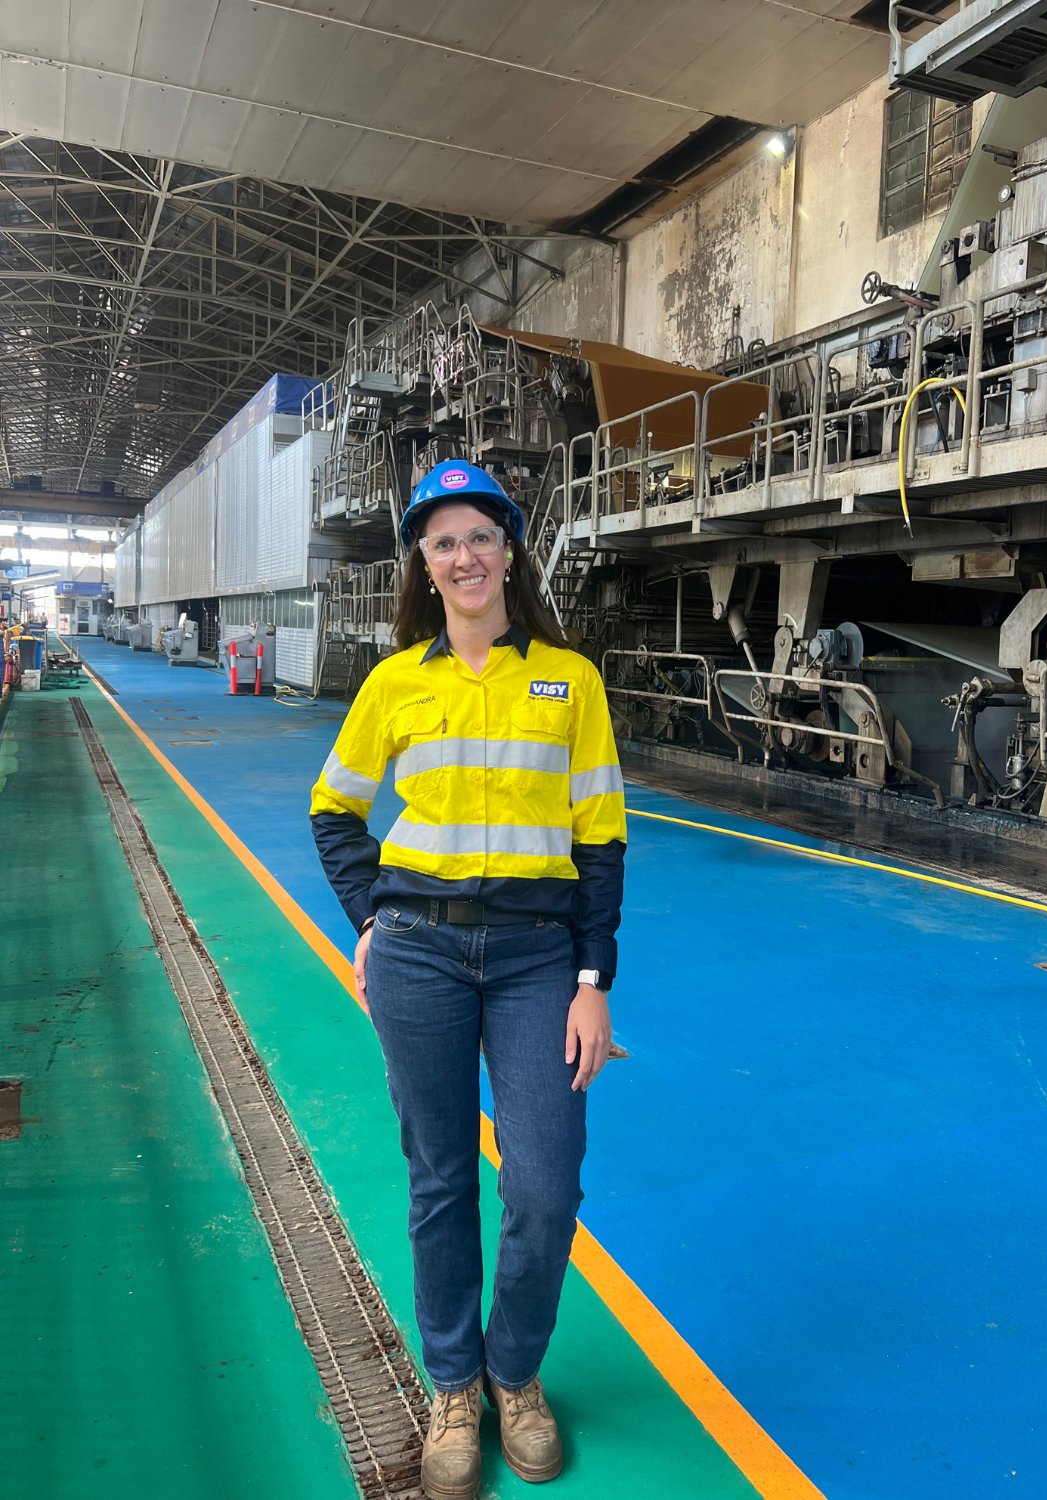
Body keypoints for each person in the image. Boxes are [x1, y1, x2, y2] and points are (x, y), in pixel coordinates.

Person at [310, 460, 626, 1499]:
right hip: (420, 954)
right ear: (424, 562)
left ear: (510, 550)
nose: (464, 556)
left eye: (480, 536)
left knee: (544, 1184)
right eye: (443, 542)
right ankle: (454, 1386)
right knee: (440, 1177)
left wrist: (593, 978)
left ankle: (514, 1373)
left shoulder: (569, 681)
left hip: (539, 957)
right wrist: (371, 920)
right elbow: (334, 809)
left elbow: (600, 842)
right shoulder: (395, 682)